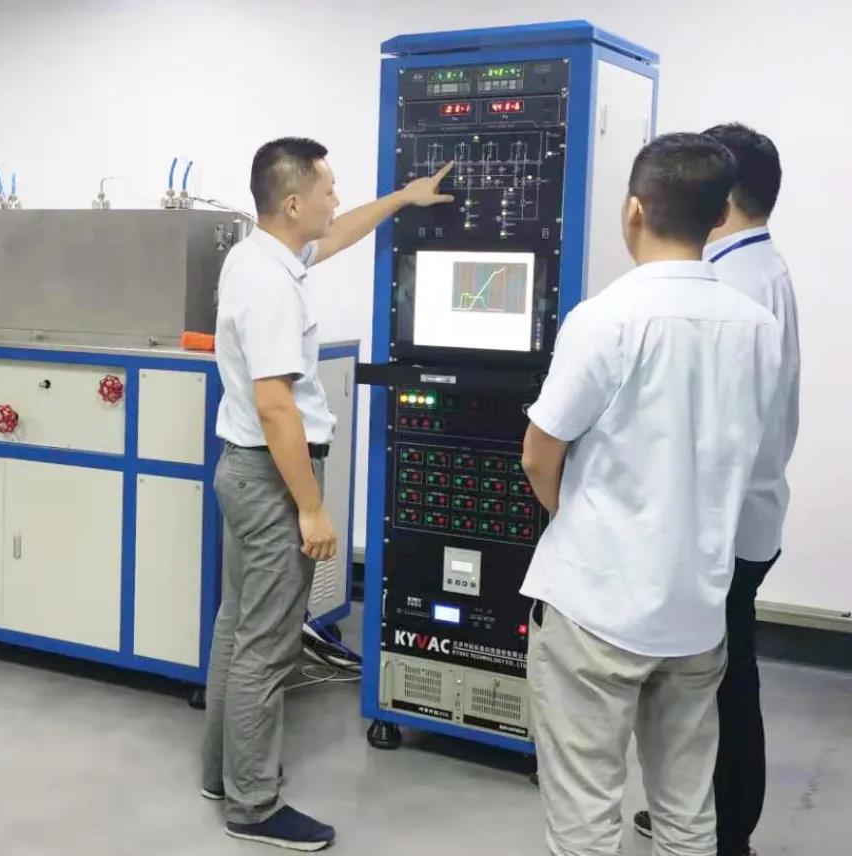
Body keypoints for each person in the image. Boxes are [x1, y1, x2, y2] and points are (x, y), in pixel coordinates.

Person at [519, 133, 784, 856]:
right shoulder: (758, 328)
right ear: (719, 214)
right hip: (696, 609)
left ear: (634, 211)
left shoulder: (605, 318)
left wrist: (575, 519)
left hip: (596, 608)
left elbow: (540, 452)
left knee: (586, 814)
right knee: (688, 811)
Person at [202, 137, 454, 851]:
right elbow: (277, 406)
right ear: (292, 203)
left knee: (236, 627)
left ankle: (223, 774)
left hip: (243, 470)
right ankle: (253, 805)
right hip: (272, 479)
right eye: (327, 190)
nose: (335, 201)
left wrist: (403, 198)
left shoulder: (258, 255)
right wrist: (312, 508)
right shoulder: (271, 286)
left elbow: (338, 235)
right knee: (266, 645)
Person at [633, 123, 800, 856]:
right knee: (725, 677)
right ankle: (700, 816)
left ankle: (724, 831)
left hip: (723, 528)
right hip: (752, 517)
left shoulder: (727, 286)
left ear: (721, 194)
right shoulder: (764, 267)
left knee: (720, 688)